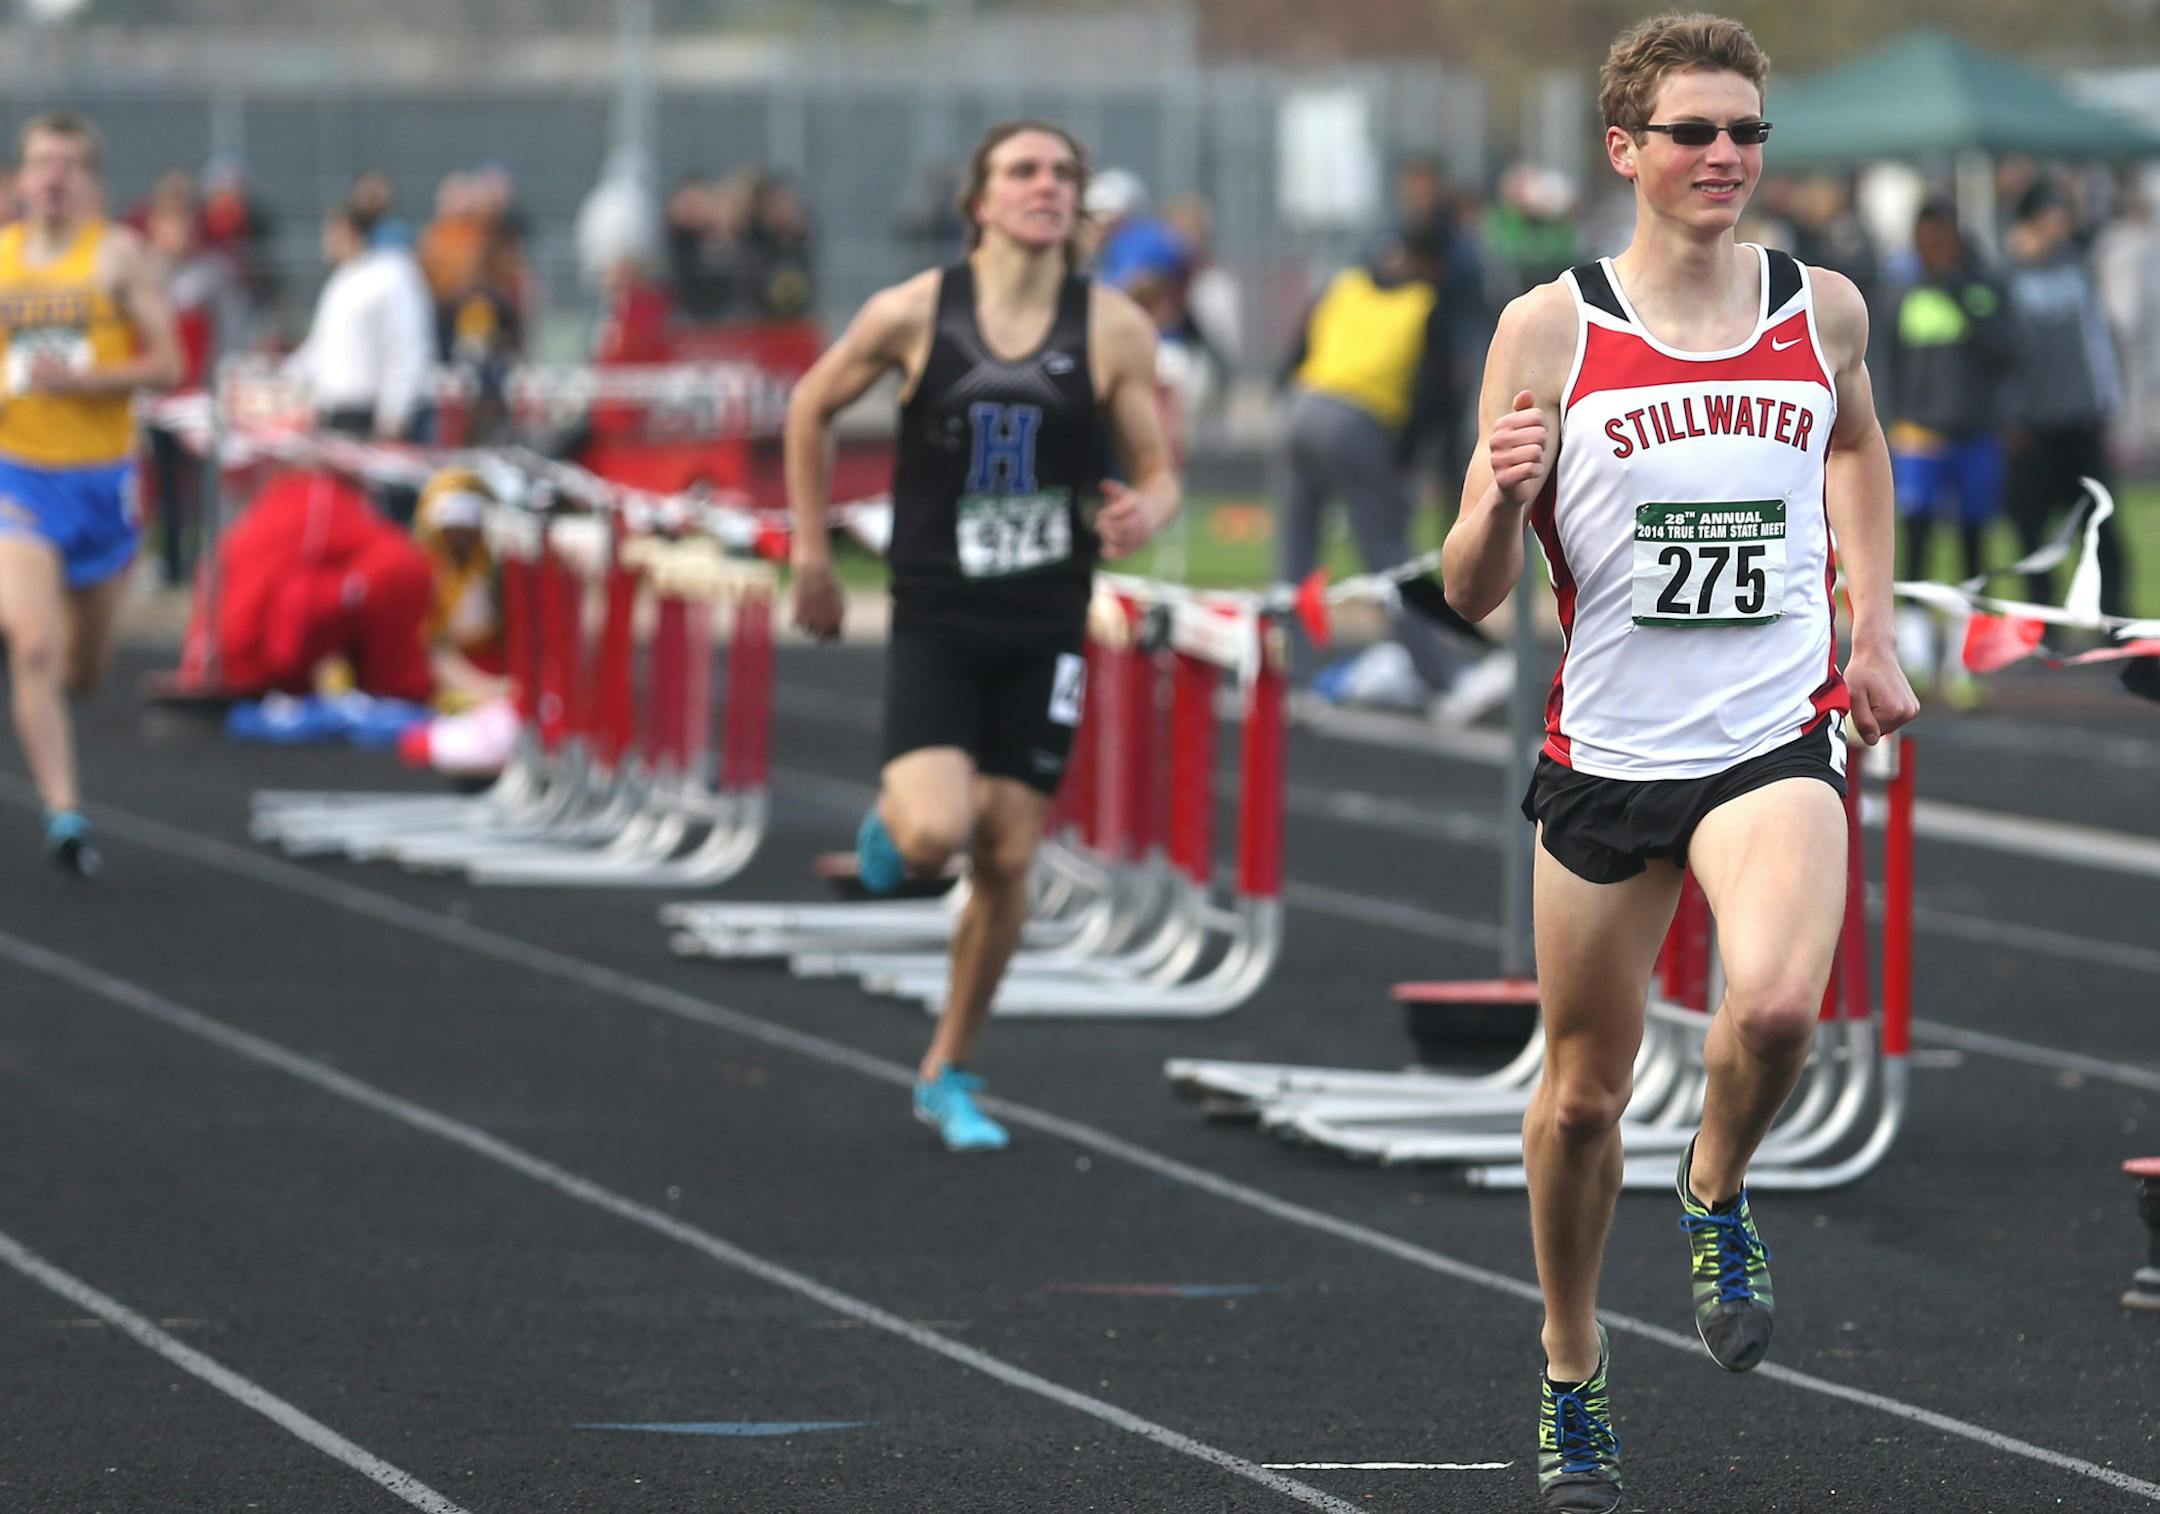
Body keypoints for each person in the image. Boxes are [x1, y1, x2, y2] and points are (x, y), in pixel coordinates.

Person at [1438, 18, 1918, 1511]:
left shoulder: (1820, 305)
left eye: (1748, 133)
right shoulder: (1550, 328)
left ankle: (1714, 1190)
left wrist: (1875, 627)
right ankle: (1572, 1372)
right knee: (1582, 1098)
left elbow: (1856, 448)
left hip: (1772, 733)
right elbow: (1470, 595)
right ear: (1626, 150)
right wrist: (1500, 508)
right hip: (1605, 754)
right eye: (1696, 133)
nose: (1727, 158)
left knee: (1775, 1004)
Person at [786, 120, 1179, 1153]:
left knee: (1007, 854)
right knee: (931, 837)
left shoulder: (1110, 327)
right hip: (938, 612)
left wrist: (1151, 509)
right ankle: (891, 830)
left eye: (1062, 174)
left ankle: (948, 1064)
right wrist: (812, 554)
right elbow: (810, 405)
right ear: (980, 201)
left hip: (1046, 618)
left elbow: (1159, 464)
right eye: (1024, 171)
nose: (1046, 186)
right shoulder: (914, 312)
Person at [0, 111, 183, 874]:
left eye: (68, 164)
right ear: (21, 176)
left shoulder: (114, 259)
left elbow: (169, 364)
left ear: (89, 180)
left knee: (84, 669)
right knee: (33, 643)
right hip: (19, 477)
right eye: (41, 162)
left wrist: (87, 379)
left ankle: (62, 698)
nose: (53, 177)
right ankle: (64, 814)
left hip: (102, 485)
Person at [1276, 228, 1510, 722]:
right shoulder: (1425, 307)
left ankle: (1289, 678)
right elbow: (1430, 399)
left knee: (1296, 557)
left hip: (1300, 410)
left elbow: (1295, 353)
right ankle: (1444, 676)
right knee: (1391, 560)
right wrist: (1404, 461)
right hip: (1356, 423)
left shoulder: (1345, 287)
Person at [1885, 200, 2012, 702]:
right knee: (1912, 544)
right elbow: (1885, 362)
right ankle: (1913, 657)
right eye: (1925, 236)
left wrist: (1959, 294)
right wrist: (1890, 423)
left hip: (1974, 438)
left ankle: (1964, 662)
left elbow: (2005, 354)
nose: (1933, 246)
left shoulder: (1982, 288)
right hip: (1918, 438)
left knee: (1973, 546)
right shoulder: (1900, 292)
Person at [2002, 179, 2127, 615]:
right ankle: (2042, 624)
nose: (2061, 225)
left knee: (2102, 525)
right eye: (2052, 215)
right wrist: (2009, 418)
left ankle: (2114, 616)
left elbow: (2098, 340)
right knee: (2031, 530)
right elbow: (2000, 355)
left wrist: (2107, 401)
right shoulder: (2006, 275)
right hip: (2032, 428)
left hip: (2080, 420)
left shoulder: (2077, 267)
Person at [282, 201, 436, 523]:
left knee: (385, 514)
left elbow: (406, 347)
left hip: (373, 416)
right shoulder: (343, 280)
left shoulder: (392, 275)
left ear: (349, 232)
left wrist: (395, 411)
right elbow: (321, 348)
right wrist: (279, 376)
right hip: (338, 415)